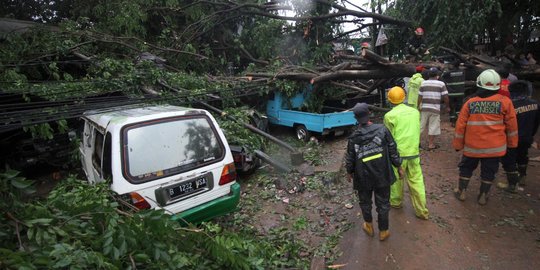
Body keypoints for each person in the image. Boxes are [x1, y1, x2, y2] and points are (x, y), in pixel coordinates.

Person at [452, 69, 518, 205]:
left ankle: (462, 191)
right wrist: (512, 144)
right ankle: (483, 195)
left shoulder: (470, 103)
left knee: (466, 168)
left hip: (472, 147)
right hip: (494, 148)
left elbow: (460, 127)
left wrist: (458, 145)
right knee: (489, 171)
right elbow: (512, 126)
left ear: (479, 84)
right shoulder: (505, 102)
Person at [345, 103, 403, 241]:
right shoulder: (382, 130)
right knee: (383, 204)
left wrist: (349, 172)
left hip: (362, 177)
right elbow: (393, 150)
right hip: (382, 174)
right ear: (369, 113)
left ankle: (369, 226)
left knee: (365, 203)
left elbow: (350, 157)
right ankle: (384, 231)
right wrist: (399, 166)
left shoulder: (354, 137)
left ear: (355, 117)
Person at [384, 86, 429, 220]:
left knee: (397, 179)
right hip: (414, 152)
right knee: (416, 181)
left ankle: (396, 202)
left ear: (390, 100)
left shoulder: (389, 116)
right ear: (404, 98)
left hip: (398, 155)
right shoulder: (415, 112)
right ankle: (422, 211)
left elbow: (389, 137)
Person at [497, 80, 540, 190]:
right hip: (527, 137)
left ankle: (512, 185)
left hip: (512, 138)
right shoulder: (535, 104)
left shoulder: (510, 105)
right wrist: (531, 134)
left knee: (509, 160)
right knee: (523, 156)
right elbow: (536, 122)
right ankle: (522, 177)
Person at [418, 67, 450, 150]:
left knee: (421, 125)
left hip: (424, 108)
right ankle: (431, 144)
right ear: (437, 75)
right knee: (433, 126)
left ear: (428, 75)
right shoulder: (441, 84)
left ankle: (417, 143)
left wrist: (418, 106)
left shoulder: (423, 83)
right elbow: (445, 97)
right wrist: (447, 106)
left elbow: (420, 96)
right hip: (435, 108)